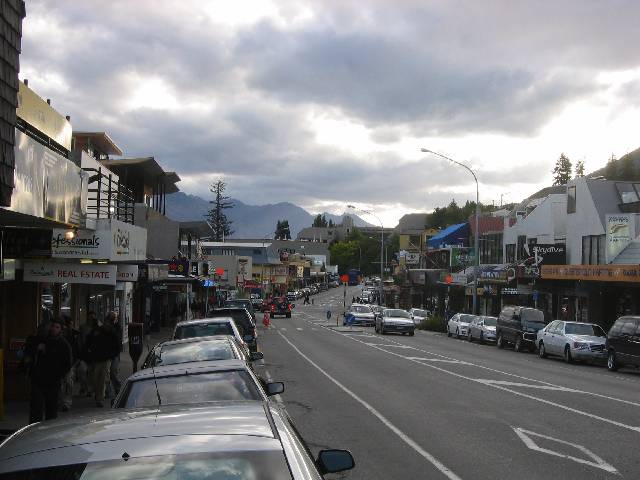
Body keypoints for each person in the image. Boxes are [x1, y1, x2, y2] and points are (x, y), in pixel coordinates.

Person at [26, 318, 72, 423]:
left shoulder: (63, 344)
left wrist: (59, 375)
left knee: (51, 410)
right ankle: (34, 432)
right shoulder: (41, 339)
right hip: (38, 380)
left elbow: (67, 363)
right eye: (52, 326)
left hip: (53, 382)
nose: (53, 329)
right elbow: (28, 351)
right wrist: (37, 348)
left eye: (57, 327)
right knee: (36, 410)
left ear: (61, 329)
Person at [86, 312, 120, 407]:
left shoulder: (112, 332)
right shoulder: (96, 331)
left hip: (106, 359)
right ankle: (99, 394)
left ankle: (100, 398)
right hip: (96, 358)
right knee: (95, 378)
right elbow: (89, 341)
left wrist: (111, 356)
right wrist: (89, 352)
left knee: (103, 378)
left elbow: (117, 346)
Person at [59, 317, 79, 411]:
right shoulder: (60, 337)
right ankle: (62, 401)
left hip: (70, 363)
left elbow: (76, 348)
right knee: (62, 384)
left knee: (68, 383)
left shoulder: (73, 335)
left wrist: (75, 360)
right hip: (60, 363)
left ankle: (66, 402)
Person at [107, 311, 123, 398]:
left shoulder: (117, 327)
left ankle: (118, 387)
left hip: (115, 354)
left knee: (113, 372)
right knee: (106, 373)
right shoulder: (106, 327)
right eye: (111, 318)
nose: (113, 320)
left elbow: (117, 339)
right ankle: (107, 392)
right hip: (106, 353)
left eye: (114, 318)